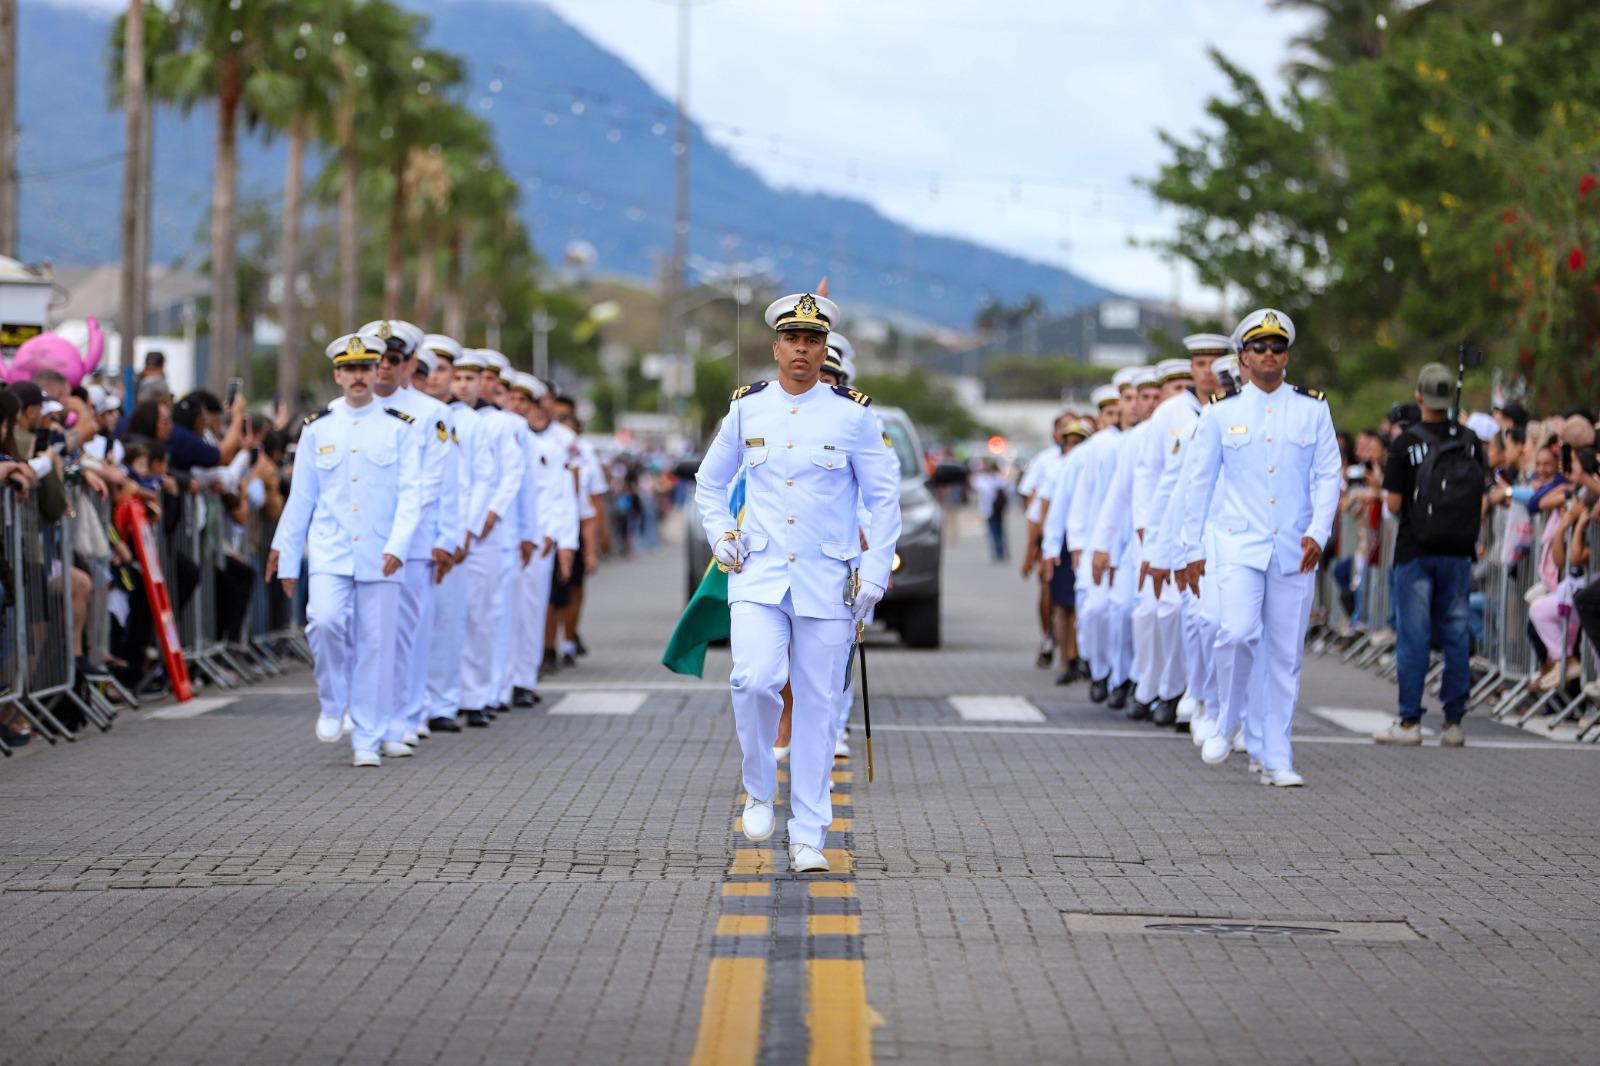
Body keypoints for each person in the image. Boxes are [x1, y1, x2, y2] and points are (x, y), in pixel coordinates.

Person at [694, 291, 901, 874]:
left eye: (814, 341)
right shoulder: (746, 410)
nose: (803, 350)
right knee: (754, 680)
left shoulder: (854, 415)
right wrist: (720, 535)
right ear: (776, 346)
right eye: (793, 340)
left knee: (817, 708)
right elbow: (709, 485)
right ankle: (759, 786)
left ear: (824, 348)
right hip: (758, 575)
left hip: (827, 580)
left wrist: (875, 576)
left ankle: (808, 833)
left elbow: (884, 502)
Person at [1179, 309, 1341, 787]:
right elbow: (1198, 483)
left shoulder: (1312, 408)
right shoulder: (1221, 413)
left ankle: (1276, 756)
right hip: (1237, 545)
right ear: (1243, 358)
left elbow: (1328, 473)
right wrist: (1191, 549)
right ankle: (1228, 721)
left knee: (1283, 655)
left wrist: (1320, 529)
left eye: (1277, 347)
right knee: (1236, 633)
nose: (1269, 354)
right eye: (1259, 347)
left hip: (1293, 547)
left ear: (1286, 355)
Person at [266, 332, 423, 766]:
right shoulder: (319, 429)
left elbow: (412, 495)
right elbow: (302, 497)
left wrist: (399, 545)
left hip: (380, 551)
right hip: (330, 550)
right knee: (324, 622)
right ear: (337, 375)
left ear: (376, 373)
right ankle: (334, 701)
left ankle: (367, 739)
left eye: (365, 368)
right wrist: (285, 553)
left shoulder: (398, 429)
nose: (358, 376)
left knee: (377, 644)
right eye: (349, 369)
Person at [1372, 363, 1487, 746]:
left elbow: (1392, 503)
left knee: (1415, 637)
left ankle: (1409, 722)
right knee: (1455, 635)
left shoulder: (1406, 443)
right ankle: (1453, 723)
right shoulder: (1471, 440)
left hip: (1415, 549)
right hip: (1458, 549)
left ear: (1419, 396)